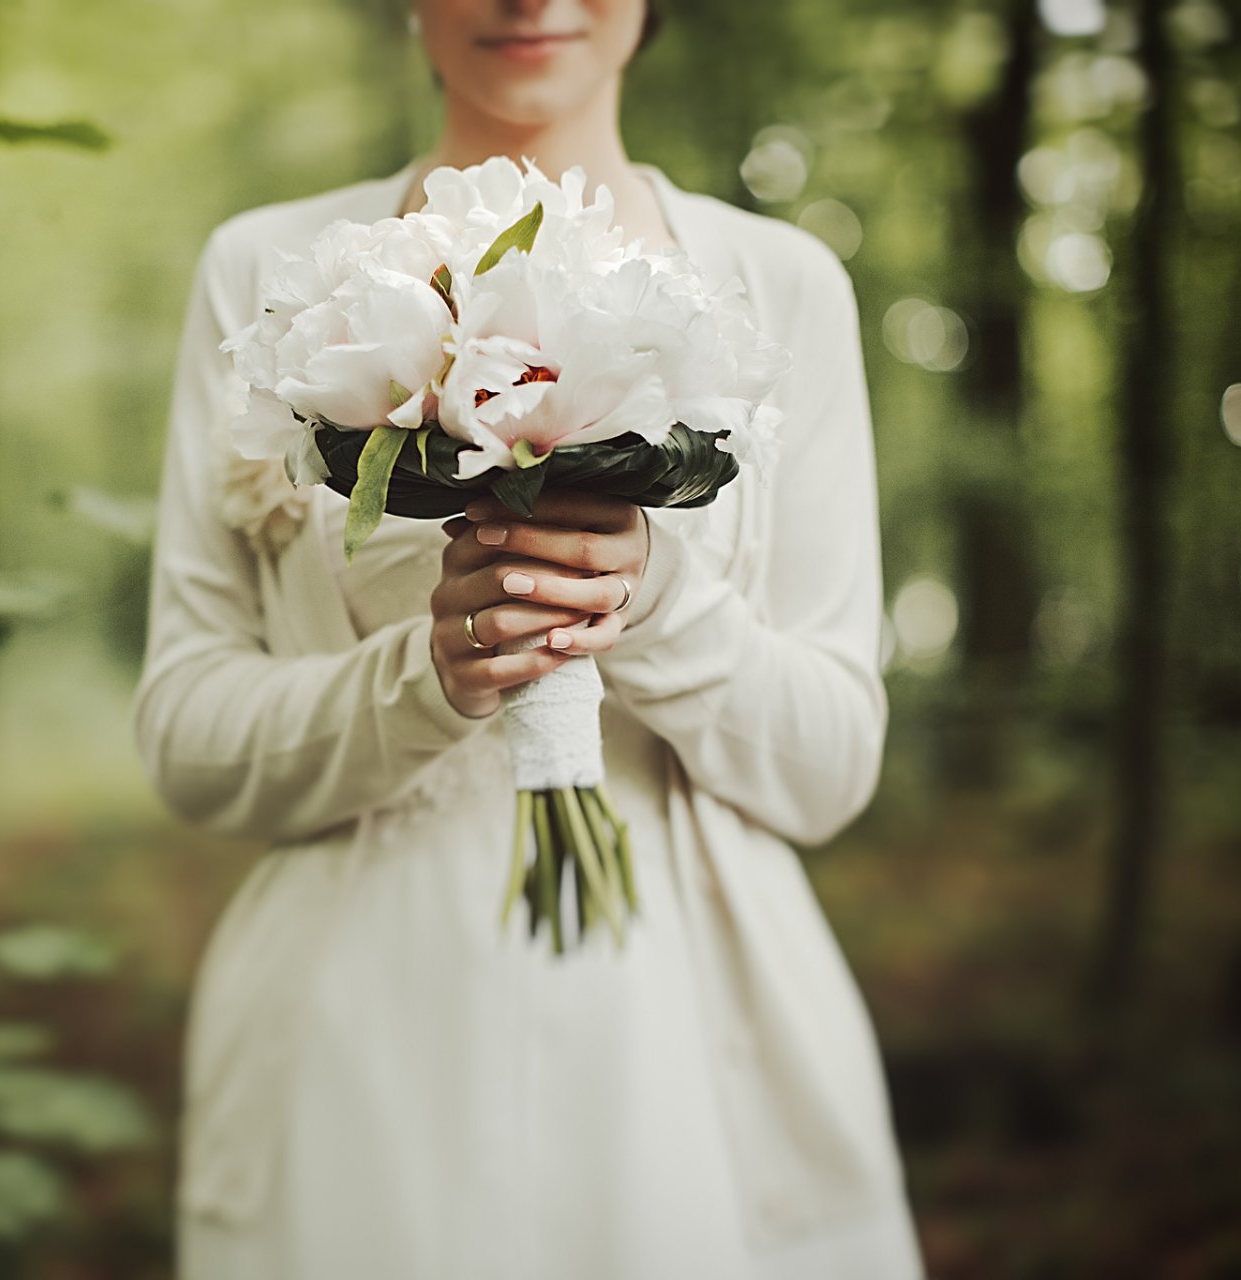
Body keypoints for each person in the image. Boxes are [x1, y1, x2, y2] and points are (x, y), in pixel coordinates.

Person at [130, 1, 929, 1276]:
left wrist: (653, 600)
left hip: (696, 1046)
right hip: (356, 1049)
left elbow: (829, 767)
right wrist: (424, 676)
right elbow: (186, 735)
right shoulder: (268, 271)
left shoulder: (781, 286)